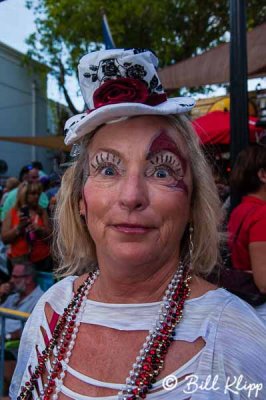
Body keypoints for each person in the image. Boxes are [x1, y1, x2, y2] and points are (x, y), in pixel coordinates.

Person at [10, 49, 266, 400]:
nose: (131, 196)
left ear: (191, 203)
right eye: (108, 169)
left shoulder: (236, 339)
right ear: (81, 201)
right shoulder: (48, 310)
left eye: (161, 171)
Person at [227, 144, 266, 319]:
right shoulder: (261, 214)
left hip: (244, 303)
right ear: (262, 175)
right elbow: (264, 281)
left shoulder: (240, 210)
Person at [1, 181, 52, 272]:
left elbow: (50, 236)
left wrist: (38, 229)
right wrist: (19, 227)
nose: (36, 196)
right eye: (32, 194)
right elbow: (4, 239)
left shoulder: (41, 211)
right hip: (20, 262)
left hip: (42, 260)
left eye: (38, 194)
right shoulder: (12, 213)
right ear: (24, 195)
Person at [0, 261, 44, 340]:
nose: (11, 280)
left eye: (15, 277)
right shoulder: (13, 296)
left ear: (28, 279)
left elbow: (34, 328)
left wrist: (7, 337)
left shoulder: (40, 300)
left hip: (9, 345)